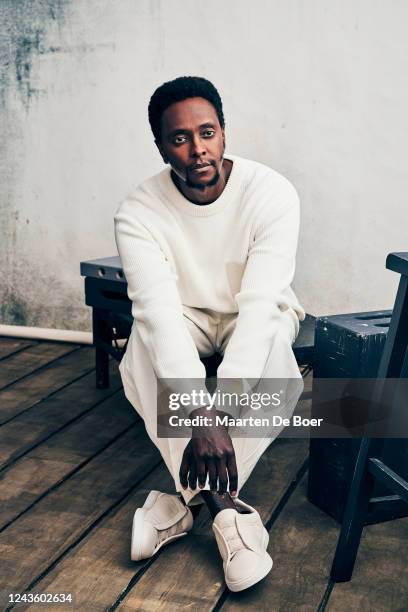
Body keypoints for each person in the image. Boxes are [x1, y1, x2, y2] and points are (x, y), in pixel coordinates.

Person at [114, 75, 305, 592]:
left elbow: (262, 304)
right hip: (186, 314)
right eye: (179, 138)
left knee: (276, 366)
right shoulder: (137, 212)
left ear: (224, 131)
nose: (197, 150)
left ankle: (178, 505)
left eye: (207, 132)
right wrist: (200, 409)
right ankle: (228, 514)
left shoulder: (272, 193)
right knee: (141, 353)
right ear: (160, 146)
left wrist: (218, 408)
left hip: (253, 311)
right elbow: (155, 310)